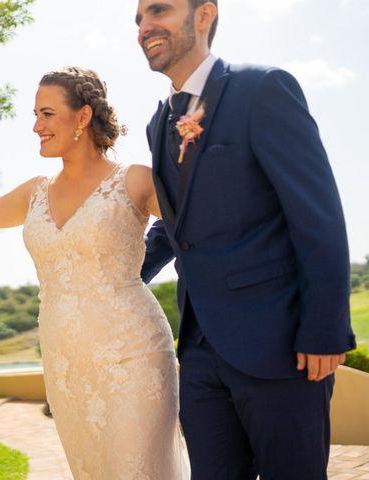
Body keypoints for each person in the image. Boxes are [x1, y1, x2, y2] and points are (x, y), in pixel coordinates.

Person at [0, 66, 190, 479]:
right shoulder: (36, 189)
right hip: (65, 363)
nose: (36, 126)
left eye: (47, 114)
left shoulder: (135, 180)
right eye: (35, 114)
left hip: (134, 355)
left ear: (84, 117)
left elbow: (199, 229)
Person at [135, 0, 357, 479]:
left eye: (158, 10)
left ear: (204, 15)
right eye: (138, 19)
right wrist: (115, 276)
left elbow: (317, 216)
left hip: (281, 345)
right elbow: (177, 226)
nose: (144, 26)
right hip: (197, 353)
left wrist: (325, 329)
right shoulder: (159, 123)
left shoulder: (261, 89)